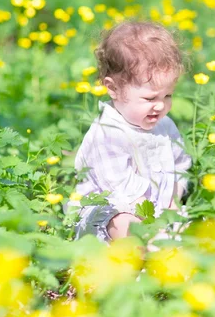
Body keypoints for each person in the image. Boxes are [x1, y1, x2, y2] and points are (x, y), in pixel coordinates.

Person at [71, 21, 192, 243]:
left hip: (160, 210)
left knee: (190, 223)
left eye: (168, 96)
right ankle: (137, 250)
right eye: (150, 98)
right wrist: (149, 221)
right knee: (120, 221)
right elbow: (119, 189)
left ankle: (163, 244)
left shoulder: (166, 127)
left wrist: (173, 202)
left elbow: (181, 164)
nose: (160, 105)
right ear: (113, 88)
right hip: (113, 209)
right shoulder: (107, 133)